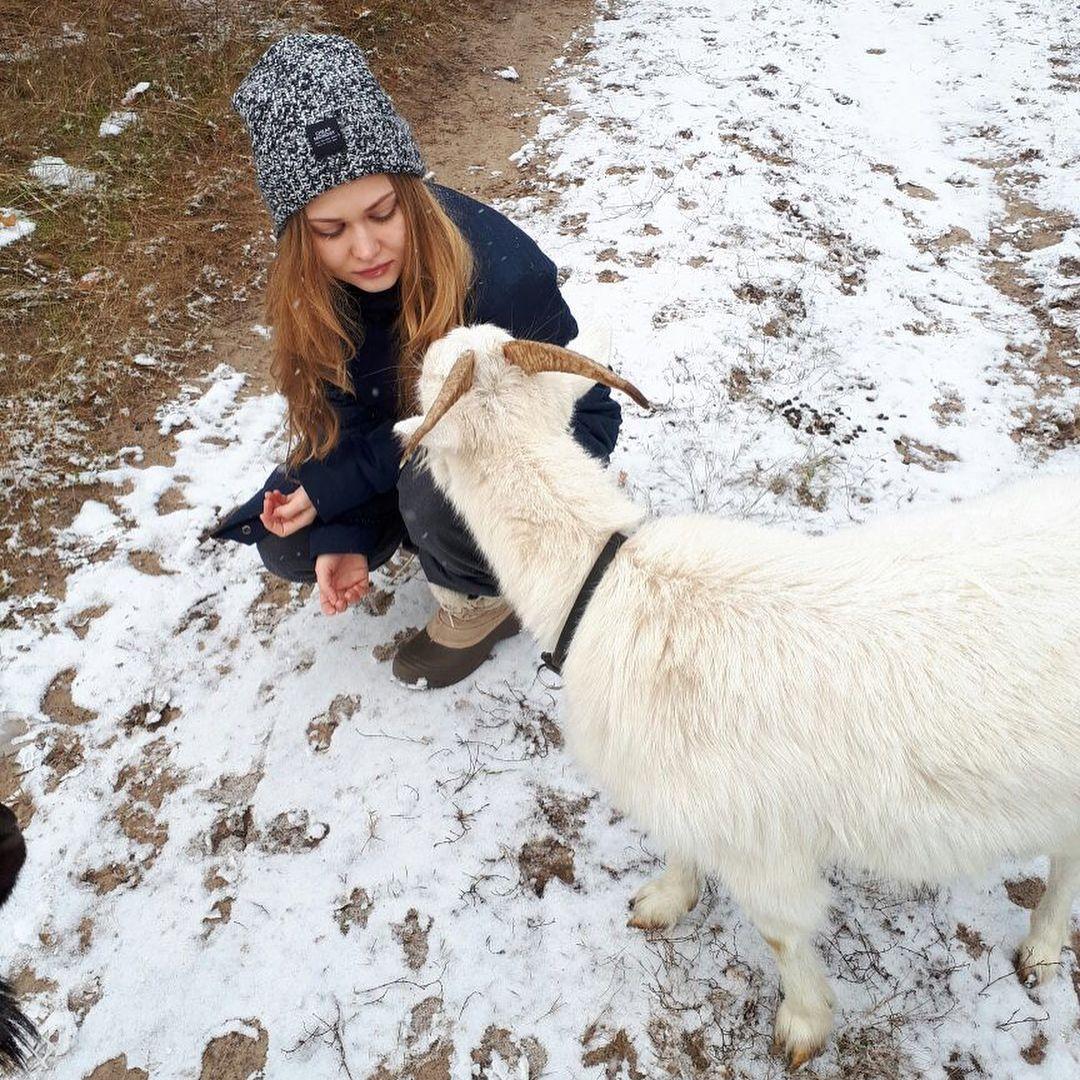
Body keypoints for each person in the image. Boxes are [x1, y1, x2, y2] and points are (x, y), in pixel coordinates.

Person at [211, 33, 621, 688]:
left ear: (411, 190)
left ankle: (485, 601)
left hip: (532, 437)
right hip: (405, 435)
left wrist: (349, 487)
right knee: (284, 524)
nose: (367, 247)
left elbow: (570, 413)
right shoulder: (313, 295)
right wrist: (336, 527)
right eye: (331, 230)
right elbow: (349, 425)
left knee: (432, 481)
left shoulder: (501, 275)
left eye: (382, 212)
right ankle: (414, 523)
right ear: (296, 235)